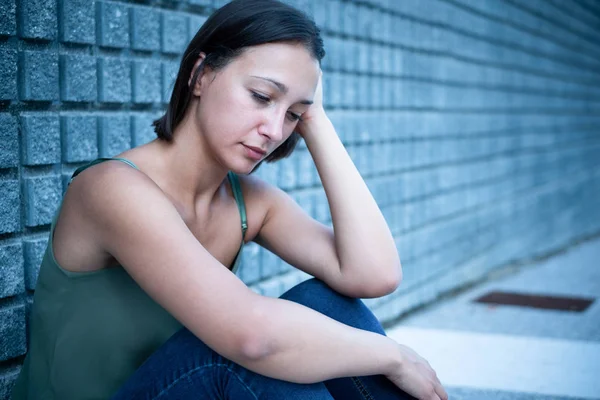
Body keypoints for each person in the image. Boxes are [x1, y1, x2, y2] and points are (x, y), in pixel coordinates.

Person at [11, 0, 448, 399]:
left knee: (325, 304)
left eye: (293, 114)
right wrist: (394, 356)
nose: (276, 130)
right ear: (201, 75)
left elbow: (373, 274)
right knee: (250, 353)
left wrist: (318, 123)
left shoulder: (249, 203)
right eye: (261, 96)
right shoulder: (111, 189)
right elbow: (252, 337)